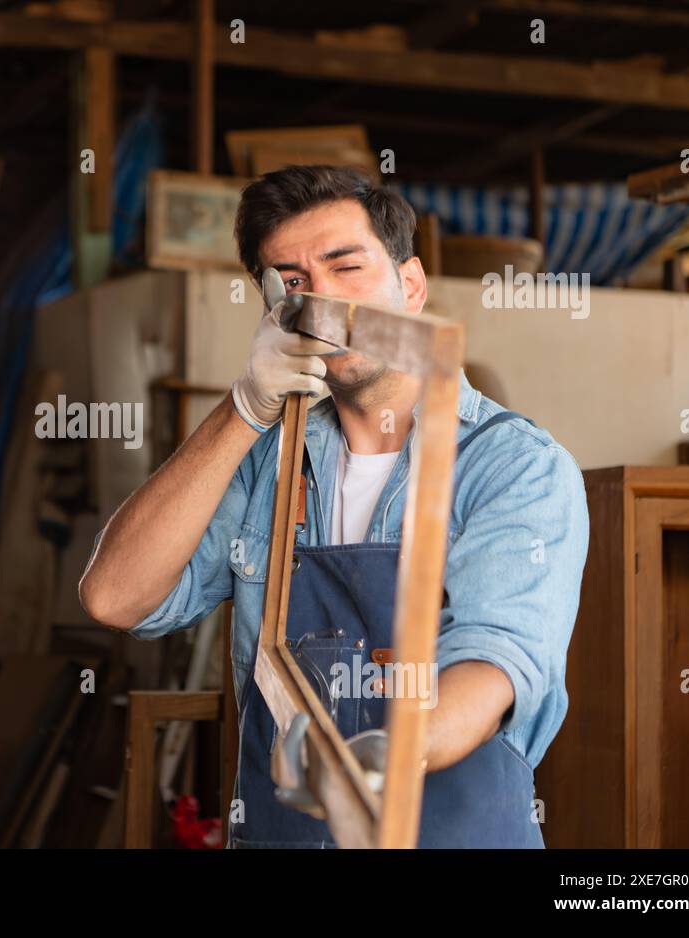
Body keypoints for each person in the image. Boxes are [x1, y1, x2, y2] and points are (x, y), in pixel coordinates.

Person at [79, 164, 589, 848]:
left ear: (410, 286)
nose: (320, 300)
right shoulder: (263, 463)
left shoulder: (513, 466)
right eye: (290, 283)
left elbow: (496, 663)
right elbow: (115, 597)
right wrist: (241, 411)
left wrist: (385, 757)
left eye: (346, 267)